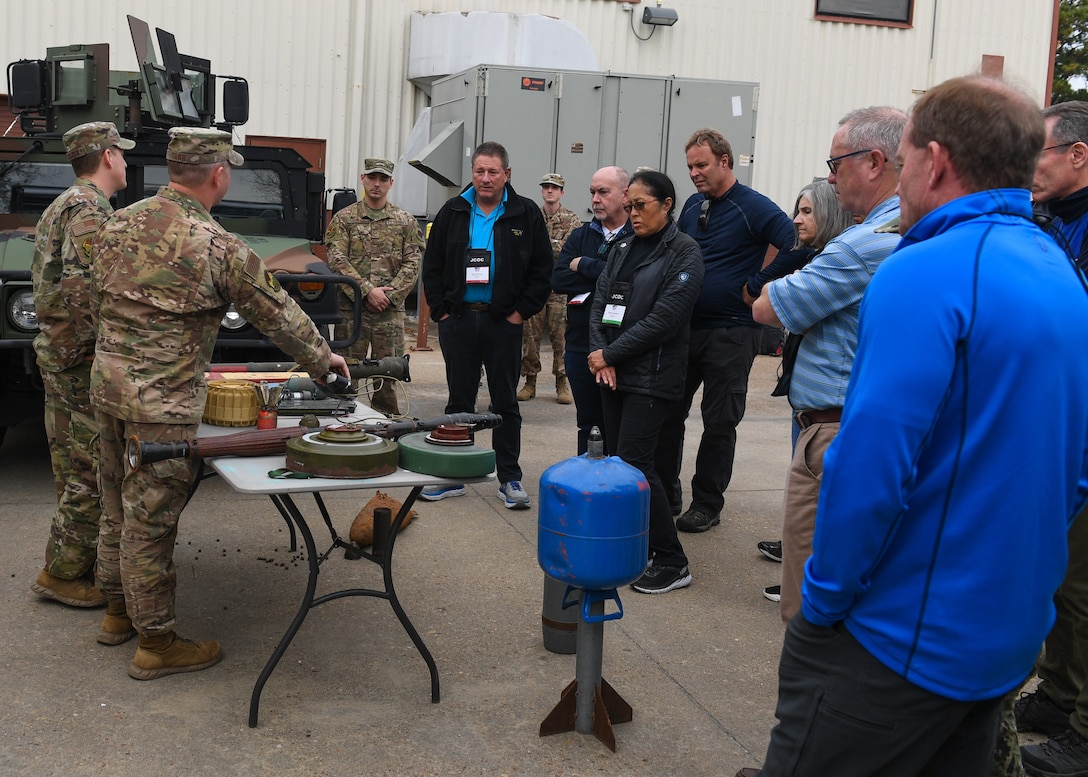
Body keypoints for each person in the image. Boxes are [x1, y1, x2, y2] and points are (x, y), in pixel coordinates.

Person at [745, 75, 1088, 777]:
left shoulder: (923, 270)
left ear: (934, 159)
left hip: (902, 640)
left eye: (903, 157)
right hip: (1005, 634)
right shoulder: (1059, 269)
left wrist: (824, 601)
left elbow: (870, 469)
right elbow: (1075, 464)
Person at [90, 127, 349, 677]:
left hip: (107, 389)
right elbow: (275, 313)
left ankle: (117, 612)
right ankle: (155, 644)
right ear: (219, 173)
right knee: (151, 524)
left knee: (116, 506)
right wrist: (326, 363)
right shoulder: (216, 244)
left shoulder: (116, 223)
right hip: (160, 406)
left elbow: (97, 296)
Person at [753, 106, 905, 624]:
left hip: (832, 433)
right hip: (856, 425)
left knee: (809, 601)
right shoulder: (897, 233)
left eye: (835, 163)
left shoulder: (864, 244)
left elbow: (765, 306)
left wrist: (781, 284)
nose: (830, 177)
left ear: (874, 162)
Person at [655, 128, 796, 533]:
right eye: (689, 167)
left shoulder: (752, 206)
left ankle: (707, 505)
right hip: (685, 329)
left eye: (702, 165)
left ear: (725, 162)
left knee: (719, 422)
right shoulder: (693, 206)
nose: (694, 173)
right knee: (668, 413)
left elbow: (794, 242)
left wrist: (757, 284)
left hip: (731, 333)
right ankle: (668, 492)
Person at [29, 121, 134, 609]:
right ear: (107, 156)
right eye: (122, 153)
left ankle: (78, 557)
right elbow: (80, 287)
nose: (126, 161)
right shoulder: (90, 210)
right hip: (79, 358)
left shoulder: (62, 204)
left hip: (58, 352)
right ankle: (63, 571)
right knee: (92, 469)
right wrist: (106, 350)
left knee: (70, 464)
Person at [419, 141, 552, 508]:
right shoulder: (453, 211)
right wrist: (442, 312)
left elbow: (542, 271)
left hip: (502, 325)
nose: (486, 178)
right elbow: (432, 267)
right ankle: (454, 475)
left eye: (493, 171)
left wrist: (519, 313)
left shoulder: (525, 214)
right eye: (480, 171)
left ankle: (509, 479)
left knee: (505, 402)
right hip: (459, 321)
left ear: (507, 174)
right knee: (458, 401)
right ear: (473, 173)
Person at [1016, 99, 1088, 777]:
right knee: (1065, 582)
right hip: (1065, 430)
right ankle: (1061, 697)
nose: (1026, 166)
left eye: (1037, 151)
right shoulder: (1051, 220)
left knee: (1086, 588)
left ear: (1077, 154)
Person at [589, 170, 704, 594]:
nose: (632, 213)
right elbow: (602, 300)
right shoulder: (622, 246)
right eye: (630, 205)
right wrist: (600, 357)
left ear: (667, 204)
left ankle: (673, 560)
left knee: (638, 466)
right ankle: (642, 548)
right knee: (620, 464)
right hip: (613, 373)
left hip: (652, 377)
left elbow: (665, 319)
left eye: (641, 205)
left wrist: (610, 354)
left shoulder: (685, 253)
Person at [753, 178, 855, 604]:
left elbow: (763, 304)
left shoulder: (837, 262)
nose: (796, 219)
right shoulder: (810, 258)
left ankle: (807, 582)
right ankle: (800, 564)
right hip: (807, 405)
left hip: (831, 413)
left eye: (808, 211)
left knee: (823, 503)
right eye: (797, 210)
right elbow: (757, 284)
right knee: (808, 499)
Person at [325, 157, 424, 416]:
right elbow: (337, 260)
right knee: (346, 374)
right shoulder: (344, 219)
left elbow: (413, 263)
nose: (376, 184)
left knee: (388, 378)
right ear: (362, 179)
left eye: (382, 179)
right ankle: (344, 425)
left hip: (388, 314)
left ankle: (387, 428)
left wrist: (389, 297)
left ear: (391, 183)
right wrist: (367, 291)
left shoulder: (405, 222)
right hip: (352, 312)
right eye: (372, 178)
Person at [552, 165, 633, 454]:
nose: (595, 199)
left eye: (603, 192)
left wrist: (584, 265)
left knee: (621, 424)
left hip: (621, 348)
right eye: (592, 192)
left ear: (625, 195)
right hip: (580, 346)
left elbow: (629, 282)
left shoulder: (638, 236)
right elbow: (559, 278)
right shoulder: (582, 235)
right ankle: (587, 485)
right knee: (589, 425)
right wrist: (605, 275)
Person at [517, 172, 580, 404]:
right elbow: (524, 248)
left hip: (558, 288)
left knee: (559, 336)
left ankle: (561, 383)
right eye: (546, 187)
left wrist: (542, 245)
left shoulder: (571, 219)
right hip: (534, 286)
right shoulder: (532, 216)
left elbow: (568, 250)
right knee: (530, 336)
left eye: (554, 187)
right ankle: (530, 381)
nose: (550, 191)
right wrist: (550, 246)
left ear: (561, 192)